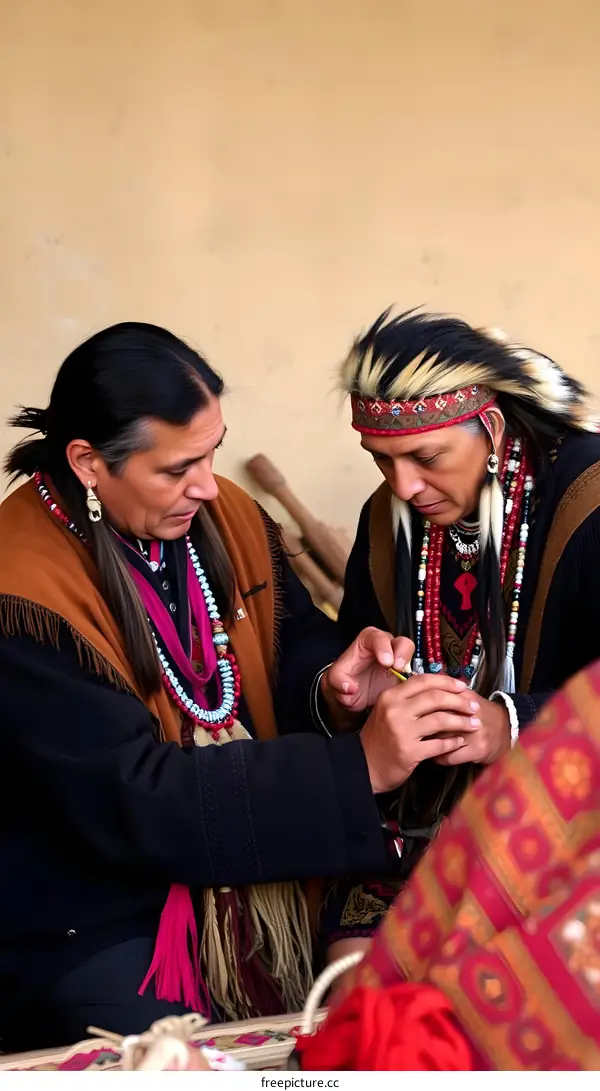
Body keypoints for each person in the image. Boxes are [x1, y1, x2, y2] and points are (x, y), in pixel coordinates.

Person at [0, 322, 474, 1052]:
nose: (206, 482)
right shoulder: (20, 589)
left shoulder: (225, 515)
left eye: (214, 449)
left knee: (406, 974)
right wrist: (360, 766)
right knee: (160, 1048)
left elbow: (289, 652)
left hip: (245, 855)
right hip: (101, 903)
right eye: (176, 467)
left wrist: (338, 685)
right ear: (89, 462)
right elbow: (135, 796)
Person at [318, 306, 600, 953]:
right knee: (356, 985)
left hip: (574, 837)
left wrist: (512, 725)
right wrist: (351, 696)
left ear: (493, 427)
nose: (404, 485)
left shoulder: (588, 497)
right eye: (381, 460)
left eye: (425, 457)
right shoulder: (390, 517)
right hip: (425, 836)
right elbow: (361, 653)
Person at [296, 659, 600, 1071]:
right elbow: (332, 658)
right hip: (394, 849)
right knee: (369, 1024)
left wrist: (510, 724)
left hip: (549, 854)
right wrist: (344, 702)